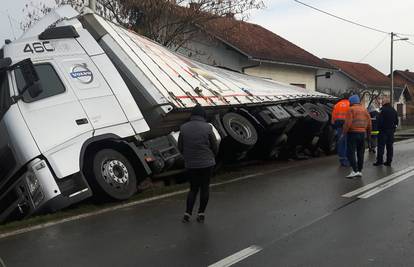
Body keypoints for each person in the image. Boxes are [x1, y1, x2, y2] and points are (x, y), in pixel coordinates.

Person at [178, 104, 219, 223]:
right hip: (207, 163)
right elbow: (214, 145)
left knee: (193, 189)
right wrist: (212, 156)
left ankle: (187, 214)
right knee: (204, 188)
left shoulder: (183, 128)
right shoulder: (208, 127)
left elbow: (180, 146)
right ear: (203, 115)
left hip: (191, 164)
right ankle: (201, 214)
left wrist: (187, 156)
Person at [343, 95, 372, 178]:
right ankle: (359, 170)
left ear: (351, 102)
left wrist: (343, 133)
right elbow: (369, 123)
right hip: (362, 134)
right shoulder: (365, 110)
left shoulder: (351, 109)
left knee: (350, 152)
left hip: (352, 133)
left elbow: (347, 123)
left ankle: (355, 170)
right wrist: (369, 134)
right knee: (360, 152)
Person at [373, 100, 398, 166]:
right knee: (390, 147)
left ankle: (380, 161)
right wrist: (393, 129)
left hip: (383, 131)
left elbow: (379, 120)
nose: (381, 103)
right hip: (391, 131)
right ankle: (389, 161)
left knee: (381, 146)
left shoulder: (382, 110)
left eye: (382, 102)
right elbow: (396, 121)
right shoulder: (393, 110)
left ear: (384, 103)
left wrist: (379, 127)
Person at [331, 94, 350, 166]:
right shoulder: (349, 104)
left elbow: (333, 117)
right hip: (346, 125)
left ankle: (341, 159)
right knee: (347, 142)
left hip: (338, 125)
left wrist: (333, 125)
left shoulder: (337, 105)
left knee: (340, 142)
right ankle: (346, 160)